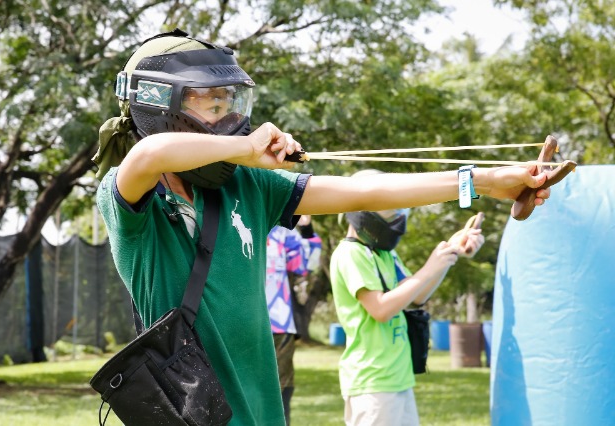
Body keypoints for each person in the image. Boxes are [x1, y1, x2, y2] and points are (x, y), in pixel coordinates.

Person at [92, 28, 552, 426]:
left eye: (230, 102)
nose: (230, 119)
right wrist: (245, 150)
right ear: (159, 106)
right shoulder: (134, 199)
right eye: (212, 105)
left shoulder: (249, 187)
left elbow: (365, 192)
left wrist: (484, 181)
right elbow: (149, 157)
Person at [330, 169, 484, 426]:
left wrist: (450, 253)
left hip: (397, 377)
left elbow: (416, 295)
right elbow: (379, 309)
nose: (397, 219)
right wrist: (428, 268)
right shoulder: (350, 253)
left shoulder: (384, 255)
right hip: (372, 382)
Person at [265, 215, 322, 425]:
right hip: (237, 323)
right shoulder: (229, 222)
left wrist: (306, 229)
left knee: (282, 388)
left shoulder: (282, 233)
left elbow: (309, 263)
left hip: (279, 323)